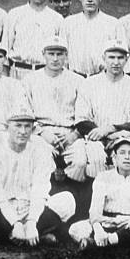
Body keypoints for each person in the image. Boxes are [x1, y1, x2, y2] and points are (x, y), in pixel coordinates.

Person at [0, 110, 76, 246]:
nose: (23, 131)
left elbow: (40, 191)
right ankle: (21, 234)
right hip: (2, 209)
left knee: (67, 200)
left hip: (31, 208)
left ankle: (11, 235)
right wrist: (15, 223)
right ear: (7, 128)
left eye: (27, 126)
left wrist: (31, 222)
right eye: (18, 125)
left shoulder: (40, 154)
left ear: (33, 129)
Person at [74, 39, 130, 177]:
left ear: (127, 59)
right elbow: (81, 120)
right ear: (103, 58)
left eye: (120, 57)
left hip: (125, 136)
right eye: (111, 57)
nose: (116, 62)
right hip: (95, 135)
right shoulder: (89, 84)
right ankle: (97, 196)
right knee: (96, 159)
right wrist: (103, 133)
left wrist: (111, 130)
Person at [68, 137, 130, 249]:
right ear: (115, 158)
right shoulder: (103, 177)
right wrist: (98, 229)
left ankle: (107, 241)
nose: (127, 157)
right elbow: (94, 212)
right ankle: (126, 240)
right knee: (75, 228)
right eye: (122, 153)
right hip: (107, 221)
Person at [22, 36, 86, 181]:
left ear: (66, 56)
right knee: (42, 160)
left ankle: (72, 193)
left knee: (81, 161)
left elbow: (85, 114)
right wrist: (42, 132)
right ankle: (47, 195)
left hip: (70, 132)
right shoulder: (30, 80)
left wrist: (74, 135)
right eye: (51, 54)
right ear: (43, 54)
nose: (55, 58)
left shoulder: (78, 81)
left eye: (60, 54)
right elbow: (25, 112)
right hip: (42, 132)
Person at [4, 0, 63, 80]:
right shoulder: (14, 14)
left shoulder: (57, 18)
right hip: (19, 72)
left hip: (46, 74)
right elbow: (5, 50)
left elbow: (62, 53)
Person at [61, 0, 122, 78]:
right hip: (75, 78)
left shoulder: (113, 23)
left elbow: (119, 55)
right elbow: (63, 55)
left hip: (102, 79)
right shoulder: (68, 23)